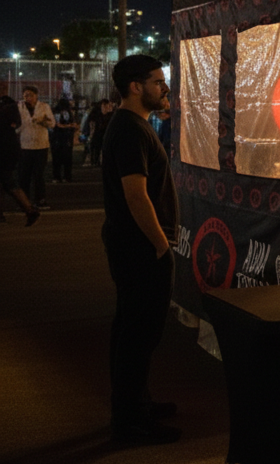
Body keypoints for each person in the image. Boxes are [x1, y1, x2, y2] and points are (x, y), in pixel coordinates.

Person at [101, 55, 181, 444]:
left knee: (132, 330)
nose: (164, 88)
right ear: (136, 86)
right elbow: (136, 195)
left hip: (133, 244)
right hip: (140, 247)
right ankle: (130, 422)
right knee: (139, 334)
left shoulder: (133, 125)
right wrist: (160, 244)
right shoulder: (131, 130)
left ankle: (137, 404)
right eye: (158, 81)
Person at [0, 96, 40, 226]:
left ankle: (30, 210)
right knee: (7, 182)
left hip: (4, 151)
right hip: (11, 150)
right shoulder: (12, 114)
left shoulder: (5, 113)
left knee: (8, 182)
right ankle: (29, 210)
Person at [17, 86, 54, 210]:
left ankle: (40, 200)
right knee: (24, 175)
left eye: (31, 95)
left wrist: (43, 121)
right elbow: (16, 125)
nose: (28, 98)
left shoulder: (44, 107)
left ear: (36, 96)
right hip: (25, 145)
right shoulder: (19, 107)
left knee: (39, 175)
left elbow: (52, 123)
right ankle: (24, 202)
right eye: (26, 95)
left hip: (41, 145)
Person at [51, 97, 79, 183]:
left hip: (56, 138)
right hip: (66, 137)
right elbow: (69, 125)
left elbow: (56, 125)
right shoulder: (68, 112)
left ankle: (57, 176)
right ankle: (67, 176)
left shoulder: (55, 112)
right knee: (67, 158)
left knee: (56, 159)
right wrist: (71, 127)